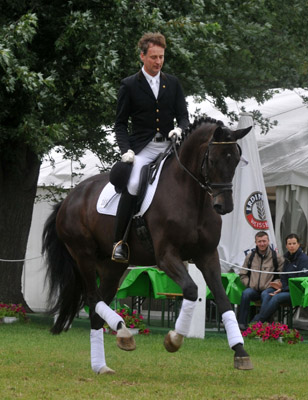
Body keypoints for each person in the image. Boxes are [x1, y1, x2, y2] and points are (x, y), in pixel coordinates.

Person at [111, 32, 189, 262]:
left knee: (191, 178)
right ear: (142, 56)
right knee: (134, 184)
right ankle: (120, 242)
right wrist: (126, 149)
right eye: (153, 57)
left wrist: (180, 129)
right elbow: (120, 124)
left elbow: (183, 116)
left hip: (169, 146)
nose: (158, 62)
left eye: (161, 57)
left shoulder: (172, 83)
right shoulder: (129, 85)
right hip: (143, 149)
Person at [252, 233, 308, 323]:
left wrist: (283, 289)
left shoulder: (304, 259)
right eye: (289, 244)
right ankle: (267, 323)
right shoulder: (286, 258)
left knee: (276, 298)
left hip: (297, 292)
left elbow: (300, 282)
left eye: (294, 243)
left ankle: (256, 322)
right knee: (265, 293)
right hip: (285, 289)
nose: (292, 246)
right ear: (286, 245)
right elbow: (283, 276)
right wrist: (281, 287)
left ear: (298, 244)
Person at [238, 231, 284, 330]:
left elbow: (282, 276)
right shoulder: (250, 257)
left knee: (265, 294)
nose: (262, 244)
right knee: (246, 293)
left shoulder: (277, 257)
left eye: (264, 241)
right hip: (253, 289)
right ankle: (241, 324)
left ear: (268, 241)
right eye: (259, 241)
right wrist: (249, 284)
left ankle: (261, 324)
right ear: (256, 242)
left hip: (269, 289)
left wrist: (275, 284)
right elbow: (243, 274)